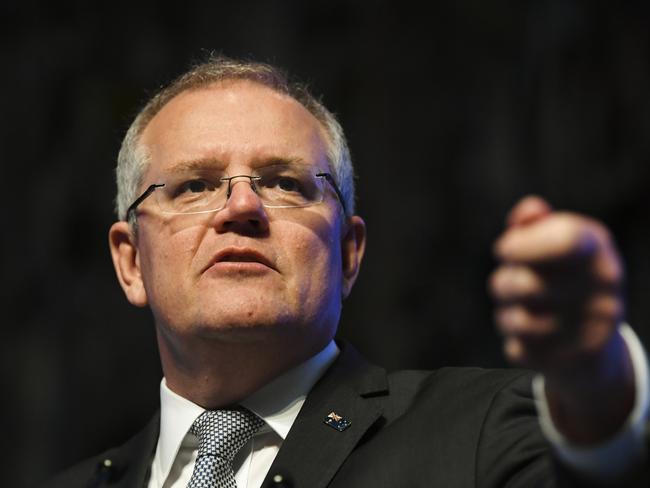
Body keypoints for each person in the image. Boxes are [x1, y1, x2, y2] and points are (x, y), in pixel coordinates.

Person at [43, 56, 649, 487]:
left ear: (349, 253)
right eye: (195, 185)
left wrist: (594, 385)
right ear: (130, 261)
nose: (243, 207)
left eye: (285, 182)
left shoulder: (481, 434)